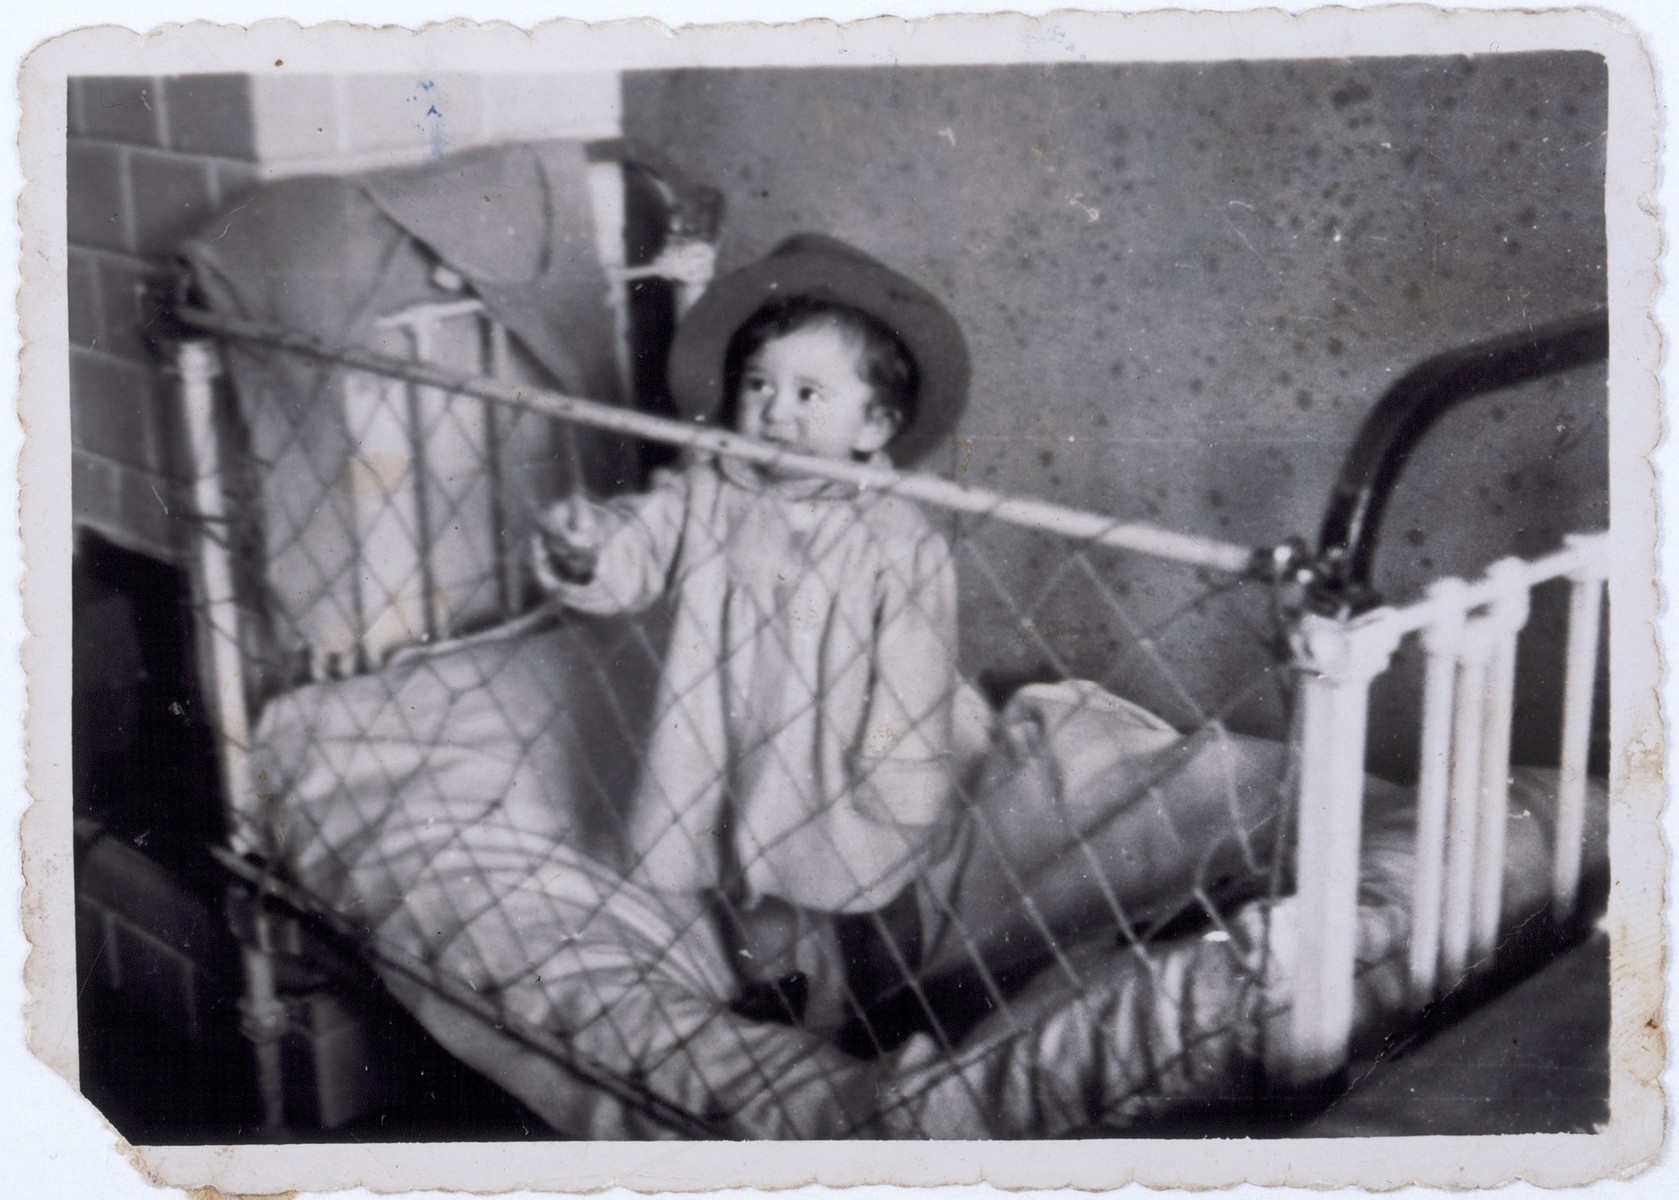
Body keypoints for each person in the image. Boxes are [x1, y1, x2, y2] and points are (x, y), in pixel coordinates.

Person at [531, 233, 972, 1026]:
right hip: (738, 740)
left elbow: (916, 669)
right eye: (758, 386)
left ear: (873, 426)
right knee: (752, 871)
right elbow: (640, 547)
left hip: (849, 755)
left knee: (874, 881)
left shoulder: (898, 538)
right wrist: (588, 545)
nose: (775, 411)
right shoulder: (707, 492)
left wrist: (900, 776)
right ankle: (775, 997)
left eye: (810, 394)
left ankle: (893, 998)